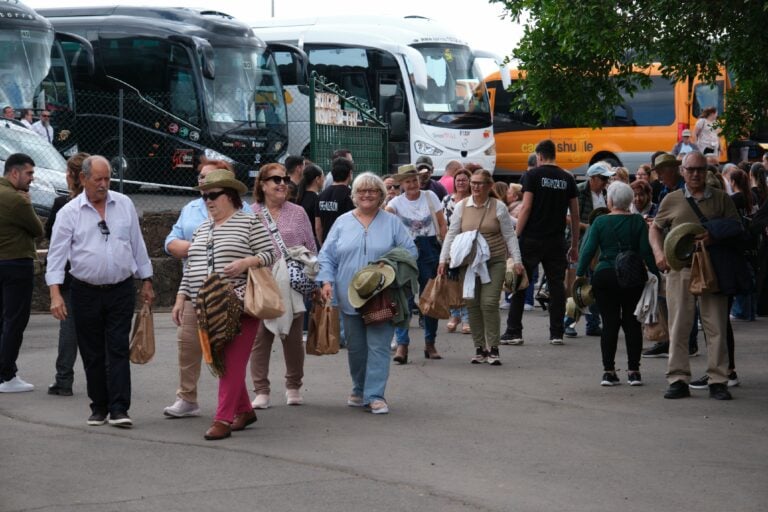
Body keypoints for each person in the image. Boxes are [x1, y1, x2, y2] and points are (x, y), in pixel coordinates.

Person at [47, 155, 154, 427]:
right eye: (98, 179)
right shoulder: (69, 212)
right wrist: (55, 294)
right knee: (92, 351)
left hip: (120, 289)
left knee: (118, 348)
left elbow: (137, 244)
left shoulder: (124, 204)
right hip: (84, 291)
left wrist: (147, 280)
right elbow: (56, 256)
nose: (104, 184)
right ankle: (99, 407)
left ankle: (119, 408)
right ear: (83, 179)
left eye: (107, 179)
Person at [173, 169, 275, 440]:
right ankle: (245, 411)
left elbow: (270, 253)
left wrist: (246, 262)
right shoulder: (202, 228)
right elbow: (191, 268)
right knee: (221, 361)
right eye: (205, 196)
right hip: (206, 306)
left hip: (239, 305)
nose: (208, 201)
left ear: (229, 195)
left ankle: (223, 419)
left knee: (230, 363)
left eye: (213, 195)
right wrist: (181, 298)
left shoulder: (248, 221)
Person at [317, 172, 417, 414]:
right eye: (362, 190)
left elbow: (410, 251)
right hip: (348, 296)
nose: (367, 195)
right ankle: (359, 389)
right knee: (356, 348)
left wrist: (389, 264)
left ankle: (375, 395)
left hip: (381, 296)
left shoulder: (392, 222)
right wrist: (326, 281)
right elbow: (326, 255)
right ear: (354, 195)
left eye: (372, 191)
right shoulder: (342, 222)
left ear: (381, 195)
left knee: (379, 347)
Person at [162, 159, 252, 418]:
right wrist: (197, 249)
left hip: (229, 294)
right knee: (188, 343)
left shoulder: (244, 212)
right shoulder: (191, 209)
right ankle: (187, 398)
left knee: (226, 353)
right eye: (201, 177)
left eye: (209, 178)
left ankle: (235, 408)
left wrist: (242, 261)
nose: (203, 182)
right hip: (195, 289)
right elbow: (171, 242)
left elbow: (263, 251)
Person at [650, 151, 739, 400]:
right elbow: (655, 229)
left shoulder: (721, 199)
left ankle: (718, 380)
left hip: (712, 268)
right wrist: (659, 254)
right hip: (680, 269)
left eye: (700, 169)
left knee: (716, 326)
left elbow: (737, 227)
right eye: (691, 170)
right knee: (679, 325)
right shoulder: (671, 199)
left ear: (707, 171)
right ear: (683, 172)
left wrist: (714, 234)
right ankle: (678, 378)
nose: (696, 174)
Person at [576, 181, 658, 386]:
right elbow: (646, 251)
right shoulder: (638, 221)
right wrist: (656, 273)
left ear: (610, 200)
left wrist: (579, 274)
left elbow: (588, 250)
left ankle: (609, 372)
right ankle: (634, 371)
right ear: (630, 200)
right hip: (633, 276)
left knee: (609, 323)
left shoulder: (600, 222)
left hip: (605, 275)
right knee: (633, 323)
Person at [438, 169, 523, 364]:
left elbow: (510, 235)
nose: (475, 186)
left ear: (489, 186)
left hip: (495, 261)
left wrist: (517, 261)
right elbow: (451, 234)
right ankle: (480, 348)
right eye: (473, 183)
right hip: (469, 263)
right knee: (472, 304)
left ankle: (493, 347)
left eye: (479, 183)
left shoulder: (498, 206)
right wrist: (443, 260)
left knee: (489, 303)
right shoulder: (462, 206)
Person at [250, 162, 317, 409]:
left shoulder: (298, 212)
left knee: (293, 339)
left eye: (285, 179)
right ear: (262, 185)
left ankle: (293, 386)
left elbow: (311, 247)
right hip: (261, 283)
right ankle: (261, 390)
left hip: (291, 284)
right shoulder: (250, 213)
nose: (282, 184)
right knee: (260, 338)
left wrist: (314, 280)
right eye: (276, 180)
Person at [501, 139, 579, 346]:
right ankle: (557, 333)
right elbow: (575, 214)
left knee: (520, 283)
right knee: (557, 286)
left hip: (531, 238)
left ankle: (514, 331)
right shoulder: (567, 178)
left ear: (539, 156)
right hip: (556, 240)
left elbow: (526, 207)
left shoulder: (532, 175)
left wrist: (515, 236)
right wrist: (574, 245)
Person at [386, 164, 447, 362]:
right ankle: (402, 345)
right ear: (401, 184)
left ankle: (430, 343)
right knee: (403, 299)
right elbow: (386, 221)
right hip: (405, 251)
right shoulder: (395, 203)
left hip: (430, 249)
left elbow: (442, 224)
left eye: (414, 180)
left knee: (430, 298)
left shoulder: (430, 196)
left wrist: (445, 253)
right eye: (408, 181)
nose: (412, 184)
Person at [44, 152, 89, 397]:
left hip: (69, 275)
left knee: (69, 328)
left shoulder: (62, 204)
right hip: (91, 274)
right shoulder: (99, 203)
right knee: (97, 328)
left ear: (72, 176)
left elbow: (50, 235)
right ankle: (101, 376)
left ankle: (63, 380)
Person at [0, 153, 44, 393]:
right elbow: (38, 230)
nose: (32, 178)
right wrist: (28, 202)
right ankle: (7, 375)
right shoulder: (17, 200)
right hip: (16, 264)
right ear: (14, 173)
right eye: (29, 173)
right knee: (15, 321)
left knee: (3, 320)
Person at [566, 162, 614, 338]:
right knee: (580, 284)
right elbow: (568, 217)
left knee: (594, 285)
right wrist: (589, 227)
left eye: (607, 179)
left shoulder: (605, 193)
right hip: (581, 243)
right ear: (592, 178)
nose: (606, 182)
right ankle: (568, 322)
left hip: (598, 246)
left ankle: (592, 324)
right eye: (603, 178)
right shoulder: (579, 191)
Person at [441, 168, 472, 333]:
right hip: (450, 245)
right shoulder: (447, 200)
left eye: (464, 180)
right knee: (451, 282)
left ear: (469, 182)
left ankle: (466, 318)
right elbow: (442, 222)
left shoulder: (473, 200)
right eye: (458, 180)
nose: (461, 183)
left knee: (466, 281)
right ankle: (454, 315)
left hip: (468, 245)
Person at [315, 157, 354, 244]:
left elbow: (318, 226)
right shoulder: (351, 196)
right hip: (345, 243)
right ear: (350, 173)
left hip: (327, 243)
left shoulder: (321, 195)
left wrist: (322, 245)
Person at [297, 163, 324, 247]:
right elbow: (318, 226)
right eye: (323, 177)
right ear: (317, 179)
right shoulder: (317, 199)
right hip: (312, 242)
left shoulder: (300, 197)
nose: (324, 180)